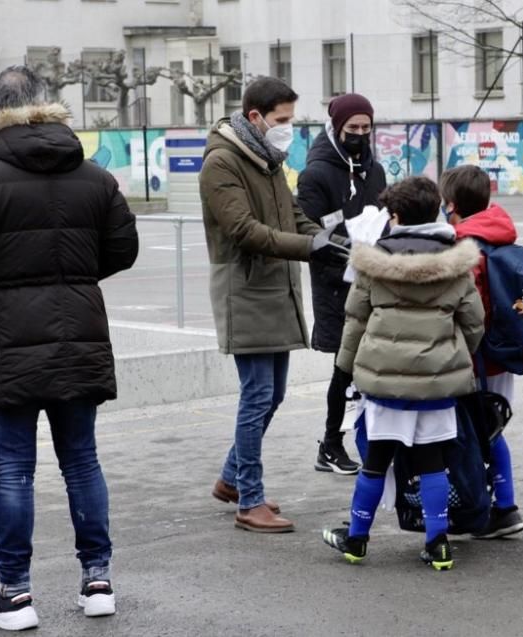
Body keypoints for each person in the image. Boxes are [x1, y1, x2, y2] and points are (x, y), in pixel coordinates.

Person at [0, 65, 138, 630]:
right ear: (48, 106)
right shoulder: (94, 176)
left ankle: (15, 593)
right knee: (82, 461)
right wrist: (73, 273)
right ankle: (98, 580)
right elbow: (123, 249)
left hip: (3, 340)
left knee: (13, 470)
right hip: (79, 334)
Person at [200, 76, 348, 533]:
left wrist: (331, 239)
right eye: (282, 120)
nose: (289, 128)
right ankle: (249, 499)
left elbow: (293, 214)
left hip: (275, 287)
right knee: (257, 394)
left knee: (274, 393)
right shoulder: (222, 163)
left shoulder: (266, 159)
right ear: (255, 118)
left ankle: (231, 478)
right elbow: (242, 229)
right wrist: (308, 249)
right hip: (244, 290)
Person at [322, 176, 484, 571]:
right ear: (435, 212)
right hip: (437, 387)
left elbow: (355, 321)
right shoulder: (456, 265)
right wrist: (451, 357)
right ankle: (438, 543)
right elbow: (474, 323)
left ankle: (357, 539)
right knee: (433, 462)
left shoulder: (373, 265)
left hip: (384, 383)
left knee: (376, 461)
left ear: (394, 217)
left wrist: (344, 370)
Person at [297, 93, 387, 475]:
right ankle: (331, 443)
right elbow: (309, 230)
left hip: (372, 277)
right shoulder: (316, 174)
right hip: (336, 280)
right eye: (353, 129)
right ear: (337, 127)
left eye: (366, 129)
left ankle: (374, 439)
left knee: (375, 362)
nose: (360, 135)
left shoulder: (374, 169)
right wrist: (349, 250)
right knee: (344, 365)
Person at [439, 165, 523, 539]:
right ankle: (504, 503)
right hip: (501, 349)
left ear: (450, 204)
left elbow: (465, 308)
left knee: (476, 432)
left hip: (476, 354)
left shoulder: (463, 244)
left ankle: (496, 508)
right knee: (491, 427)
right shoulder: (499, 230)